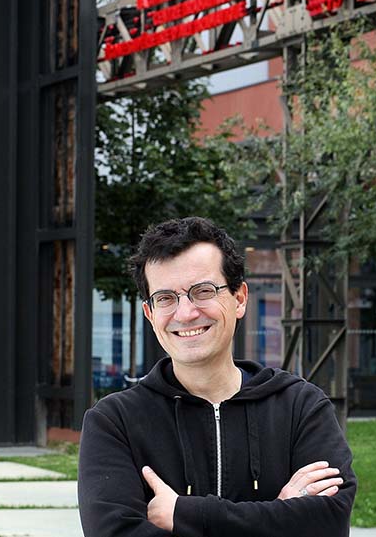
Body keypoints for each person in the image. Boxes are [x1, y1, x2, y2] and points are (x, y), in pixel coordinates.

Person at [78, 217, 356, 537]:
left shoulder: (300, 407)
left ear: (239, 299)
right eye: (166, 298)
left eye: (203, 291)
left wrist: (186, 513)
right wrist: (280, 510)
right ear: (150, 313)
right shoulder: (115, 422)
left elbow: (328, 524)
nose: (185, 313)